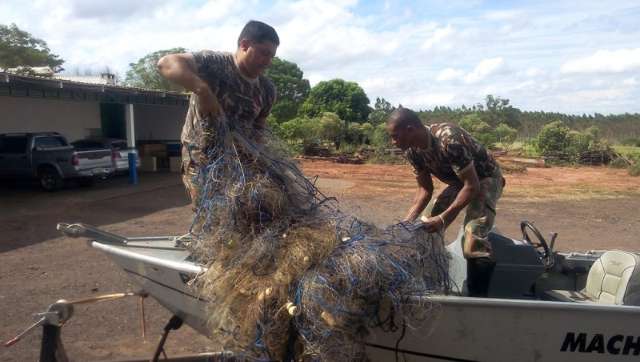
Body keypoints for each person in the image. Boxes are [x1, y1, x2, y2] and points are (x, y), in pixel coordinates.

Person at [157, 20, 278, 205]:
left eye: (272, 57)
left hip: (240, 162)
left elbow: (258, 128)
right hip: (202, 157)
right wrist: (203, 90)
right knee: (210, 211)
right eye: (264, 53)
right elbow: (166, 63)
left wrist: (257, 158)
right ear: (245, 45)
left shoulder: (267, 90)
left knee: (249, 212)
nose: (268, 61)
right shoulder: (215, 64)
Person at [386, 107, 505, 297]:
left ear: (410, 129)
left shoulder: (449, 139)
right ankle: (431, 284)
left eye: (395, 136)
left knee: (473, 236)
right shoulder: (412, 151)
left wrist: (443, 219)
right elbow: (424, 190)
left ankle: (478, 300)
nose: (393, 141)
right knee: (422, 227)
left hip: (485, 178)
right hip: (460, 182)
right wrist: (406, 222)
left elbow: (472, 186)